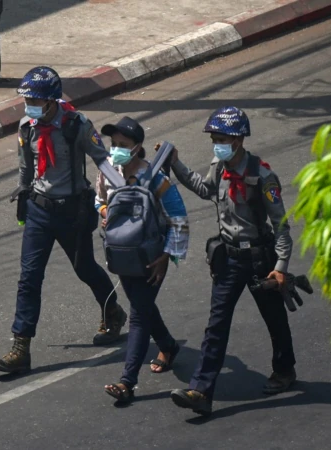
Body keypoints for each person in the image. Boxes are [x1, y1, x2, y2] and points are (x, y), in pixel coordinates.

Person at [0, 66, 128, 375]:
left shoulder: (76, 124)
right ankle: (20, 347)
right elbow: (26, 166)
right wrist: (23, 195)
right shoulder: (27, 127)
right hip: (40, 210)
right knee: (29, 277)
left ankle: (113, 312)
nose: (31, 106)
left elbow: (101, 159)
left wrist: (120, 192)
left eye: (36, 101)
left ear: (52, 101)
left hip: (72, 210)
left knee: (85, 268)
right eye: (28, 100)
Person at [166, 106, 297, 416]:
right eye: (214, 139)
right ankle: (201, 391)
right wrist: (176, 165)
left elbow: (281, 227)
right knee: (216, 325)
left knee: (274, 319)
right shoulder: (219, 167)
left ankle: (284, 370)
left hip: (259, 258)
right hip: (229, 258)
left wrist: (280, 268)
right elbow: (204, 189)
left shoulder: (263, 176)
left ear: (238, 140)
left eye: (221, 139)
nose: (217, 144)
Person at [95, 116, 190, 402]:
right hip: (122, 256)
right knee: (142, 305)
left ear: (137, 148)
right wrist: (103, 213)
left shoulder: (156, 179)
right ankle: (168, 346)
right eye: (113, 145)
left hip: (152, 257)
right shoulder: (106, 173)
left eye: (123, 145)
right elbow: (98, 200)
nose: (116, 151)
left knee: (138, 313)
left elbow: (179, 219)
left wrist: (168, 256)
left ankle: (127, 382)